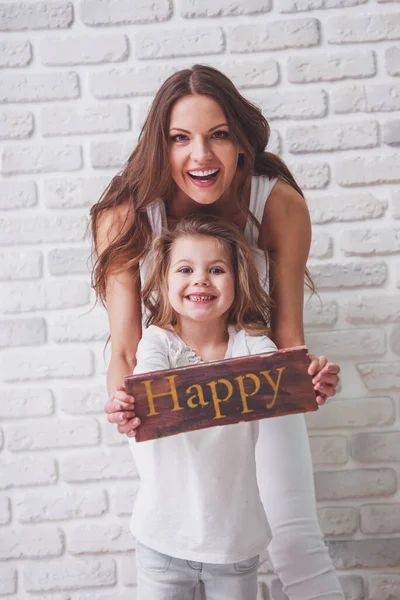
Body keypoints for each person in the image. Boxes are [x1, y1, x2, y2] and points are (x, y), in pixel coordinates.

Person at [90, 64, 342, 599]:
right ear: (161, 146)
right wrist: (126, 405)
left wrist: (304, 382)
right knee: (182, 525)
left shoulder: (277, 204)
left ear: (241, 144)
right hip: (164, 374)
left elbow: (287, 334)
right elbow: (129, 346)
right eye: (181, 138)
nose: (200, 156)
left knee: (294, 537)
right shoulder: (126, 213)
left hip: (254, 370)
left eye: (219, 135)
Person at [128, 214, 342, 600]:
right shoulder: (156, 344)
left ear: (236, 280)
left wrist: (309, 381)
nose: (200, 279)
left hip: (235, 545)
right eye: (186, 269)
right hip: (163, 539)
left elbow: (282, 375)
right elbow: (148, 390)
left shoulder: (251, 344)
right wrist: (126, 407)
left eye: (216, 269)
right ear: (165, 281)